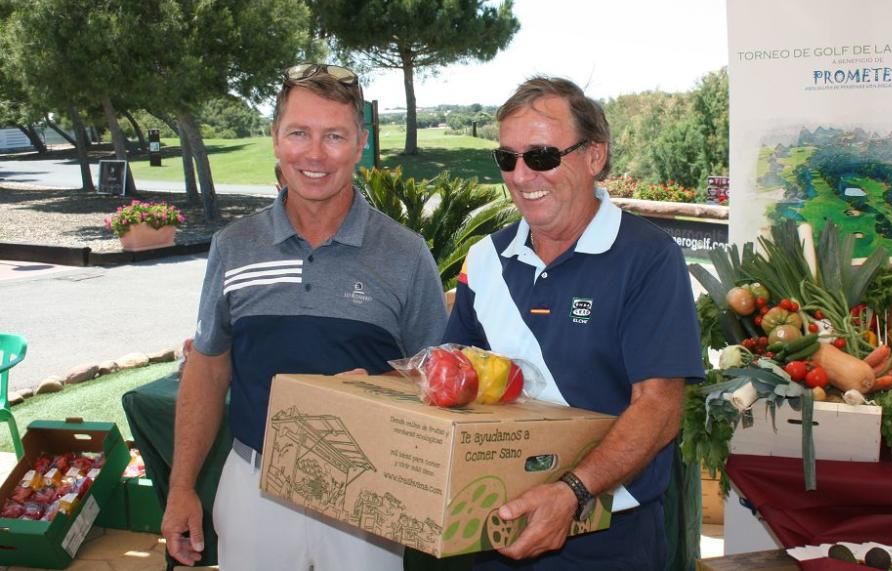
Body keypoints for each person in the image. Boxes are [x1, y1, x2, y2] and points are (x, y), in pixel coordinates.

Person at [162, 63, 448, 570]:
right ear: (276, 139)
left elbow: (438, 377)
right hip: (253, 485)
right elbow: (208, 370)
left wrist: (379, 391)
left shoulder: (406, 254)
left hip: (369, 496)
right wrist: (181, 487)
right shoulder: (233, 247)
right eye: (299, 133)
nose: (314, 154)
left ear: (361, 144)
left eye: (334, 136)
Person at [443, 77, 704, 569]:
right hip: (495, 527)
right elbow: (456, 378)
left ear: (594, 156)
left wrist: (571, 492)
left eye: (540, 156)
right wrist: (378, 389)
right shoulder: (486, 259)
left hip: (606, 534)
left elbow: (660, 409)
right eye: (507, 159)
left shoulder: (648, 259)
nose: (521, 176)